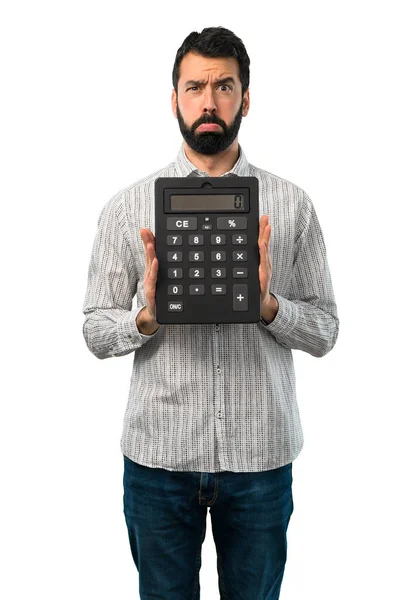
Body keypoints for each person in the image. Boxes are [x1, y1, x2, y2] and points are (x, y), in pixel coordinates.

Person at [82, 26, 339, 600]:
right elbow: (95, 328)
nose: (208, 100)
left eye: (224, 86)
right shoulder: (128, 207)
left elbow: (326, 330)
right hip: (158, 461)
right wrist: (144, 319)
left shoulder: (291, 205)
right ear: (174, 99)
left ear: (245, 99)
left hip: (260, 461)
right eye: (195, 86)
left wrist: (269, 306)